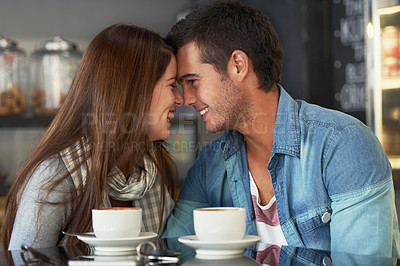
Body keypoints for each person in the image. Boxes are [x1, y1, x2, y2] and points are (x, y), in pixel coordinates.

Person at [162, 0, 400, 259]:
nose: (186, 100)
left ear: (238, 65)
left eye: (193, 82)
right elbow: (176, 254)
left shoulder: (342, 145)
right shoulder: (209, 166)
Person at [3, 23, 183, 250]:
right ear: (135, 90)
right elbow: (25, 259)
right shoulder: (56, 177)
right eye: (172, 85)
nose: (180, 99)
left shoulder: (149, 173)